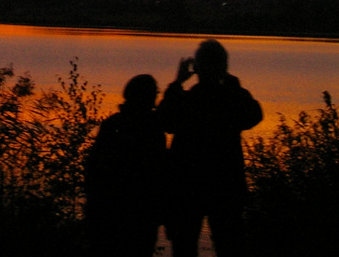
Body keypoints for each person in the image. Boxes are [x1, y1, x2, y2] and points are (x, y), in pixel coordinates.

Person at [157, 38, 263, 257]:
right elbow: (253, 114)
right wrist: (230, 81)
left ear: (196, 68)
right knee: (230, 245)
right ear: (223, 67)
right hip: (225, 187)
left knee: (184, 247)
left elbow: (164, 120)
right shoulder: (232, 101)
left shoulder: (187, 101)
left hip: (187, 188)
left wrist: (177, 84)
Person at [84, 73, 168, 257]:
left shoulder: (112, 125)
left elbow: (93, 167)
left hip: (112, 209)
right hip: (137, 212)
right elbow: (160, 172)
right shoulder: (153, 129)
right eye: (153, 94)